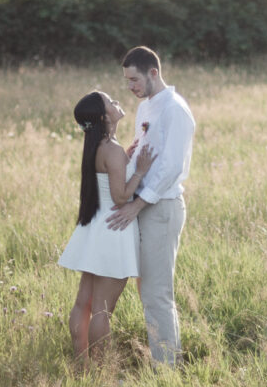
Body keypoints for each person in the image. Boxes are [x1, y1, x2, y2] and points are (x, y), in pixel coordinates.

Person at [107, 46, 195, 367]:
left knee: (158, 294)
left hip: (161, 208)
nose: (130, 86)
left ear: (153, 73)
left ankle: (168, 369)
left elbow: (171, 167)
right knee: (148, 292)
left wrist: (137, 205)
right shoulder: (146, 109)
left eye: (134, 79)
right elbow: (143, 157)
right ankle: (161, 359)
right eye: (127, 80)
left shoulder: (174, 109)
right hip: (141, 206)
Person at [57, 90, 155, 363]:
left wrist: (124, 157)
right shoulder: (110, 150)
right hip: (113, 231)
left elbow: (107, 175)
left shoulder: (100, 147)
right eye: (110, 102)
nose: (116, 103)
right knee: (102, 311)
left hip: (96, 230)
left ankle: (81, 362)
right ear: (103, 116)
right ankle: (102, 369)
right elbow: (121, 196)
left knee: (84, 302)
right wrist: (139, 170)